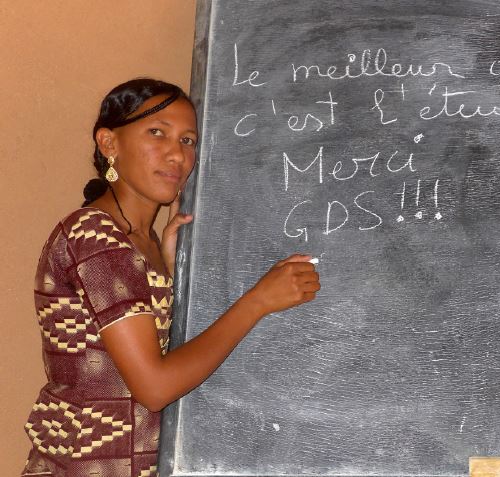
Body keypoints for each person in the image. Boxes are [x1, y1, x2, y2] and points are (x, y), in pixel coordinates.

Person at [22, 78, 321, 477]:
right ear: (109, 143)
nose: (177, 154)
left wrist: (164, 268)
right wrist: (258, 302)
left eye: (187, 140)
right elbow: (155, 387)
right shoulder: (96, 237)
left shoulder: (139, 241)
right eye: (157, 133)